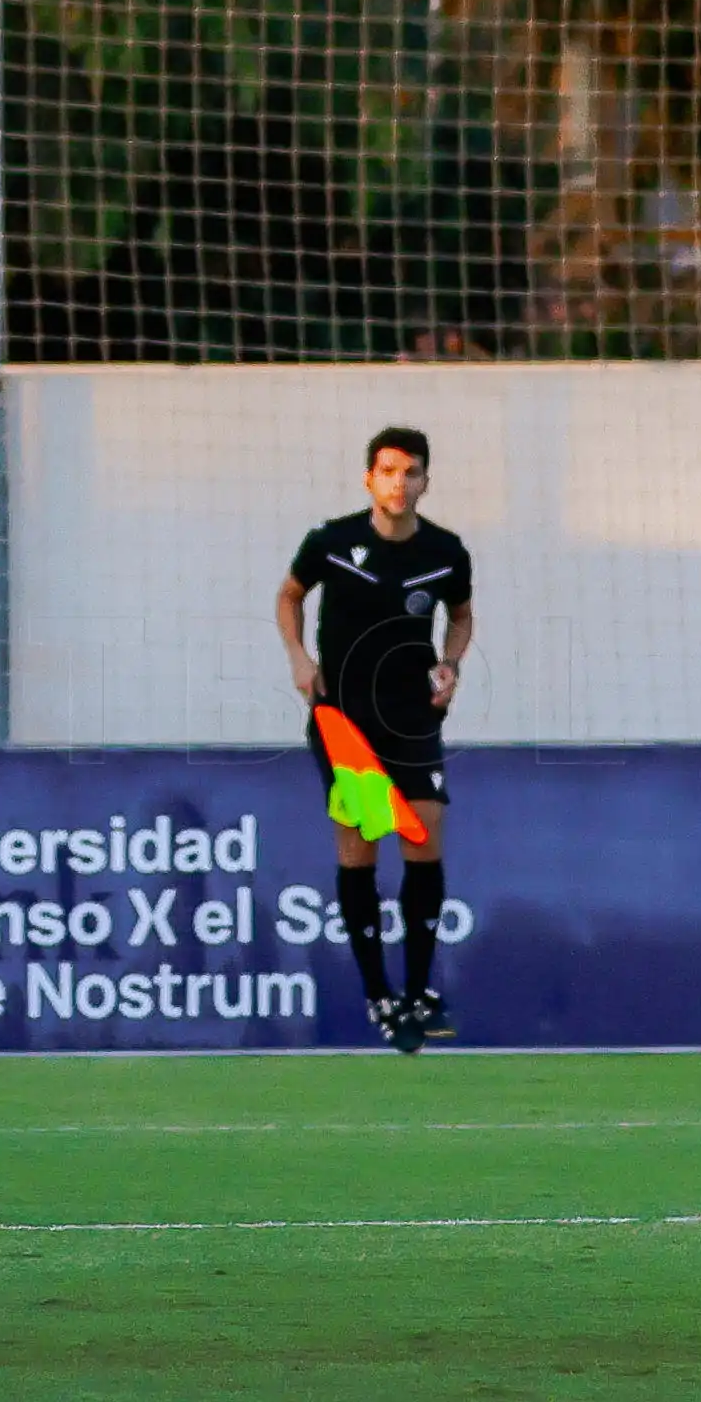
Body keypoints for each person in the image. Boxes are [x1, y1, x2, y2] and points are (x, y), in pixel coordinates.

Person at [275, 426, 474, 1054]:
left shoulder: (445, 551)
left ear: (424, 481)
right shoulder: (332, 542)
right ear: (369, 478)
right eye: (387, 470)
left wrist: (450, 663)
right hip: (345, 721)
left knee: (423, 831)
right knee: (361, 845)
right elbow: (289, 596)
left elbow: (462, 615)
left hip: (412, 717)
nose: (399, 481)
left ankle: (417, 990)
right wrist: (299, 658)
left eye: (410, 471)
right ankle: (377, 994)